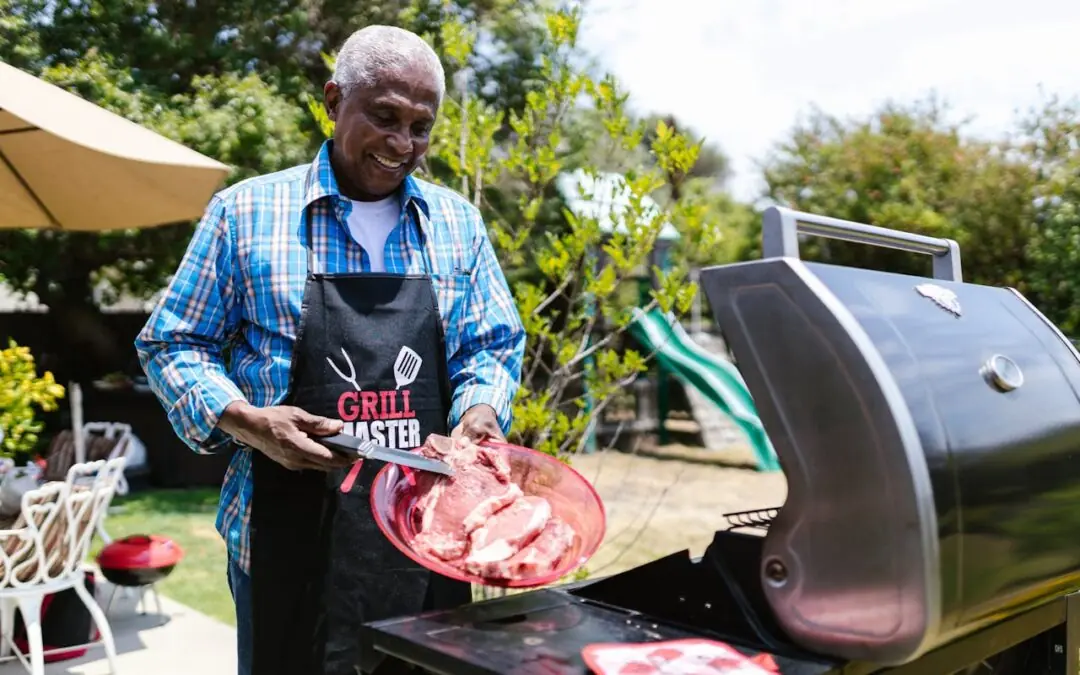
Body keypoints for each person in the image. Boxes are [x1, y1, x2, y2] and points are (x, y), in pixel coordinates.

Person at [135, 25, 526, 675]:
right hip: (287, 540)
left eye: (420, 126)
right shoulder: (246, 213)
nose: (402, 144)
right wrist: (247, 421)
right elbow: (172, 341)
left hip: (427, 539)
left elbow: (491, 343)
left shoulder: (457, 224)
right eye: (384, 117)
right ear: (333, 99)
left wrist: (479, 413)